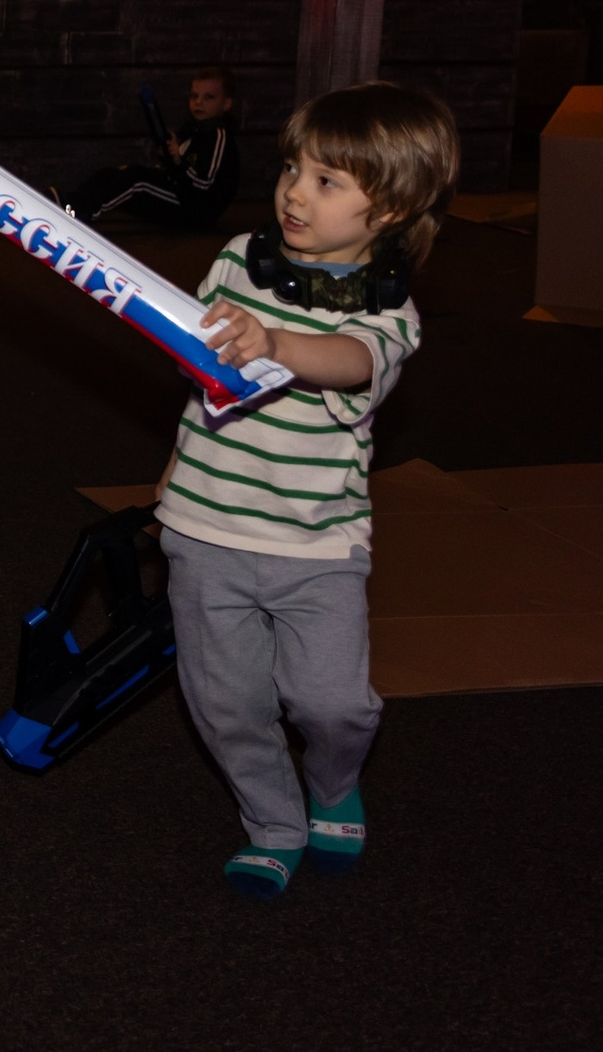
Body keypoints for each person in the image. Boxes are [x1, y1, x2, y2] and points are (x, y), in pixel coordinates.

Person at [159, 82, 458, 899]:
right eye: (295, 167)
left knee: (331, 705)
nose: (295, 189)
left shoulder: (391, 314)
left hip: (317, 545)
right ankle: (274, 823)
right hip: (207, 527)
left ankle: (333, 782)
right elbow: (202, 358)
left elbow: (349, 362)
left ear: (391, 209)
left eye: (329, 181)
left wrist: (278, 340)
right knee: (227, 703)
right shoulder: (236, 260)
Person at [66, 67, 241, 229]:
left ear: (226, 104)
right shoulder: (194, 129)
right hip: (183, 196)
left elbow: (203, 185)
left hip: (197, 211)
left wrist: (178, 161)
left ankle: (82, 212)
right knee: (113, 174)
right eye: (194, 96)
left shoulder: (218, 136)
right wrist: (168, 156)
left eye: (208, 97)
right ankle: (69, 202)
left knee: (136, 181)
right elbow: (179, 169)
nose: (198, 102)